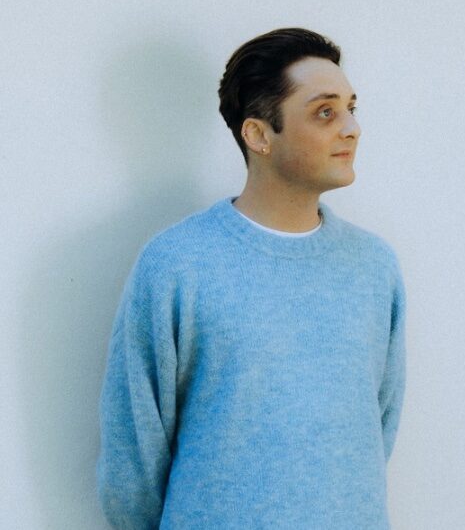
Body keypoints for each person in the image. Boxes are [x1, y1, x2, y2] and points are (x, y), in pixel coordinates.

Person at [96, 27, 407, 529]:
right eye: (325, 112)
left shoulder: (373, 266)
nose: (352, 128)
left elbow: (377, 428)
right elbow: (132, 458)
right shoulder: (178, 264)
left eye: (351, 108)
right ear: (259, 135)